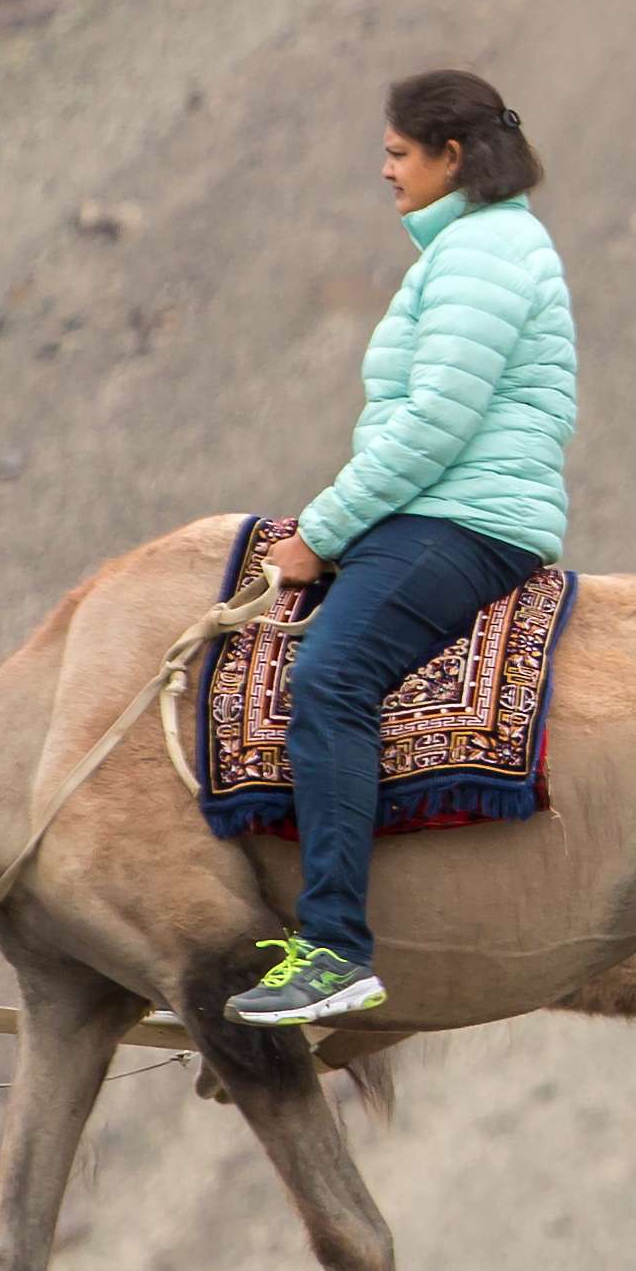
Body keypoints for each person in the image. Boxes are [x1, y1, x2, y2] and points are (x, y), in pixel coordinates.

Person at [227, 68, 577, 1030]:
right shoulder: (477, 247)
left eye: (395, 152)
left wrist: (322, 533)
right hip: (448, 509)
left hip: (464, 519)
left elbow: (434, 422)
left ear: (450, 157)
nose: (383, 170)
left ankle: (336, 949)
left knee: (330, 680)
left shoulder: (482, 254)